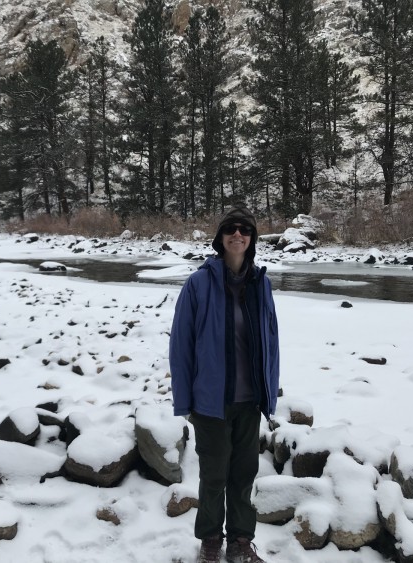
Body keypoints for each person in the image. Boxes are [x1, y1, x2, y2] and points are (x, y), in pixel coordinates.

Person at [169, 204, 280, 563]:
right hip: (210, 403)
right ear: (220, 238)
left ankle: (240, 543)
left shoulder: (260, 284)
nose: (237, 234)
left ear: (252, 239)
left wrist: (269, 396)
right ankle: (211, 543)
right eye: (230, 229)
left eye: (244, 230)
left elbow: (271, 341)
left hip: (249, 403)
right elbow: (181, 346)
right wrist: (184, 402)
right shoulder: (199, 283)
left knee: (244, 476)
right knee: (214, 477)